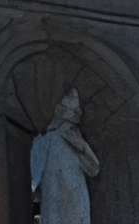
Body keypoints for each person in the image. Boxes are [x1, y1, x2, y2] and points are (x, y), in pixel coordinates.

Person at [30, 89, 100, 223]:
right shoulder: (44, 141)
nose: (70, 125)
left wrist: (81, 147)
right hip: (54, 200)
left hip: (75, 200)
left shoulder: (76, 140)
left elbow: (94, 169)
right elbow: (33, 179)